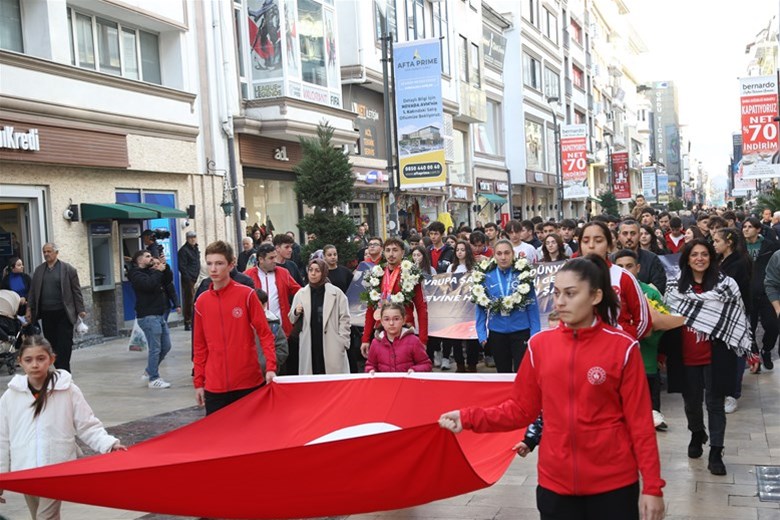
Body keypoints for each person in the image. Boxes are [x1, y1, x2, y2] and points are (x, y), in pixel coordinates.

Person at [439, 255, 666, 520]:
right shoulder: (539, 346)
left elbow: (640, 424)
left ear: (595, 296)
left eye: (570, 293)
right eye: (557, 293)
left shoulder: (623, 348)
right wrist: (467, 417)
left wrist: (652, 487)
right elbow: (520, 410)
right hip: (555, 483)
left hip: (613, 484)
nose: (560, 301)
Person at [0, 335, 126, 518]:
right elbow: (2, 438)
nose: (35, 364)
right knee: (39, 516)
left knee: (45, 517)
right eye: (28, 360)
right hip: (26, 470)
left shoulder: (67, 390)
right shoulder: (10, 397)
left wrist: (109, 443)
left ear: (52, 359)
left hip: (57, 468)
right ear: (20, 362)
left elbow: (87, 425)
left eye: (41, 358)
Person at [656, 239, 751, 476]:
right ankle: (697, 432)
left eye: (705, 254)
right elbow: (667, 321)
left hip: (717, 355)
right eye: (694, 254)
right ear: (687, 259)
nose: (700, 258)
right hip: (686, 354)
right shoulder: (674, 288)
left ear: (711, 257)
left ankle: (716, 451)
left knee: (715, 404)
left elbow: (737, 317)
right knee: (691, 403)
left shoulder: (727, 285)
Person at [193, 241, 277, 415]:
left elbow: (265, 333)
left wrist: (270, 367)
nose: (213, 269)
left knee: (251, 437)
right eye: (209, 263)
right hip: (215, 386)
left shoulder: (246, 295)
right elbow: (199, 346)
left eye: (219, 263)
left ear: (231, 264)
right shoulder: (201, 302)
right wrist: (199, 382)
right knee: (219, 439)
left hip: (248, 382)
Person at [614, 249, 668, 431]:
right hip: (619, 359)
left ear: (638, 268)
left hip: (647, 356)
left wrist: (649, 332)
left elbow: (664, 321)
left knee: (651, 412)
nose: (625, 270)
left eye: (629, 266)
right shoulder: (609, 290)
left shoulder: (650, 292)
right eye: (620, 266)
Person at [475, 240, 541, 373]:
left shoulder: (523, 275)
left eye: (507, 253)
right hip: (497, 333)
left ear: (513, 254)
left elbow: (532, 307)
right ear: (494, 255)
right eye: (499, 253)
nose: (503, 257)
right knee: (502, 373)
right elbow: (480, 308)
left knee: (522, 373)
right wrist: (482, 335)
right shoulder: (485, 276)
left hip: (521, 331)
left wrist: (535, 335)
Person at [579, 222, 651, 340]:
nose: (591, 246)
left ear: (608, 245)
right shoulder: (571, 275)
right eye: (585, 241)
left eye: (598, 241)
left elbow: (643, 321)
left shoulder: (623, 276)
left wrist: (625, 342)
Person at [360, 238, 428, 358]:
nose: (391, 254)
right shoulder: (376, 274)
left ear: (402, 252)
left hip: (405, 330)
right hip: (382, 330)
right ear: (383, 252)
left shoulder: (411, 275)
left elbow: (422, 308)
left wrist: (423, 339)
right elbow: (371, 308)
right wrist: (365, 338)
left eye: (395, 250)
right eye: (388, 250)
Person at [26, 243, 86, 374]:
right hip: (47, 313)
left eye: (49, 251)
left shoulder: (68, 269)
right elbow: (32, 292)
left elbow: (76, 291)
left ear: (56, 253)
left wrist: (80, 309)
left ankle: (65, 370)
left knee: (64, 343)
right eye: (44, 252)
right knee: (51, 344)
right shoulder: (39, 270)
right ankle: (59, 369)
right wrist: (29, 309)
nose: (46, 254)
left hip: (64, 313)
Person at [244, 243, 301, 373]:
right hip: (257, 331)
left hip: (281, 329)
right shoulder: (247, 276)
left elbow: (298, 291)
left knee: (284, 369)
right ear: (261, 259)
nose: (275, 261)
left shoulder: (284, 273)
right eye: (271, 258)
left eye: (275, 257)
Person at [713, 227, 752, 412]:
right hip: (720, 316)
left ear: (728, 243)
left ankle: (732, 394)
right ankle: (723, 390)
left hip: (736, 315)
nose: (714, 245)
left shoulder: (739, 263)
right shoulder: (720, 260)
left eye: (717, 241)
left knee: (736, 355)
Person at [289, 259, 351, 375]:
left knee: (333, 380)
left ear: (323, 272)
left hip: (332, 341)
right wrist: (296, 312)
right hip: (310, 339)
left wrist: (343, 341)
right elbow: (291, 318)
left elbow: (345, 318)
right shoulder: (301, 293)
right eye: (310, 270)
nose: (313, 273)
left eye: (317, 271)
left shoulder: (336, 293)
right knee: (312, 376)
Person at [128, 250, 180, 389]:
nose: (151, 258)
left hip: (159, 315)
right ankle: (154, 378)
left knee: (166, 346)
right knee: (155, 348)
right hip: (148, 316)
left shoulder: (151, 271)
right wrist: (158, 272)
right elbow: (148, 285)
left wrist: (165, 266)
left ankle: (150, 370)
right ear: (139, 260)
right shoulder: (135, 274)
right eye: (147, 256)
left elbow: (167, 280)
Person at [743, 217, 780, 371]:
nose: (745, 229)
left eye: (750, 227)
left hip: (767, 293)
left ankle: (766, 350)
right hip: (747, 294)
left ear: (758, 229)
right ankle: (755, 357)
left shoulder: (770, 246)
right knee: (749, 328)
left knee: (773, 326)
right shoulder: (740, 248)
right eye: (744, 226)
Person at [365, 303, 432, 373]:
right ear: (381, 321)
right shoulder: (375, 343)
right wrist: (370, 370)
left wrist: (415, 370)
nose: (391, 323)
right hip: (385, 383)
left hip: (407, 383)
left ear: (404, 320)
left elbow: (426, 364)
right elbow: (370, 364)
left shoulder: (413, 341)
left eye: (396, 319)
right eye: (387, 319)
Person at [444, 241, 478, 372]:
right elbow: (446, 284)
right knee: (456, 336)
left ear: (467, 251)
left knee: (472, 337)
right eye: (457, 249)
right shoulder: (452, 268)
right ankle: (460, 364)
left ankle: (472, 363)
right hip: (456, 307)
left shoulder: (473, 267)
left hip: (471, 306)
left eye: (462, 249)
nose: (459, 252)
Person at [616, 220, 667, 294]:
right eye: (625, 233)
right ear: (619, 237)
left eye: (633, 233)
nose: (629, 237)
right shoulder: (612, 260)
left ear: (639, 236)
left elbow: (659, 289)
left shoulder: (652, 259)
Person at [254, 289, 289, 374]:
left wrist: (269, 363)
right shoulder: (242, 324)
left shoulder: (273, 325)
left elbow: (282, 349)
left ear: (264, 305)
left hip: (268, 373)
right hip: (245, 374)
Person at [177, 231, 200, 332]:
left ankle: (194, 320)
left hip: (196, 277)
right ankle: (188, 322)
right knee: (189, 300)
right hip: (189, 279)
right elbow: (182, 266)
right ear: (187, 238)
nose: (193, 239)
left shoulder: (196, 249)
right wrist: (187, 278)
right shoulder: (183, 250)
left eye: (194, 237)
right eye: (190, 237)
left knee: (195, 300)